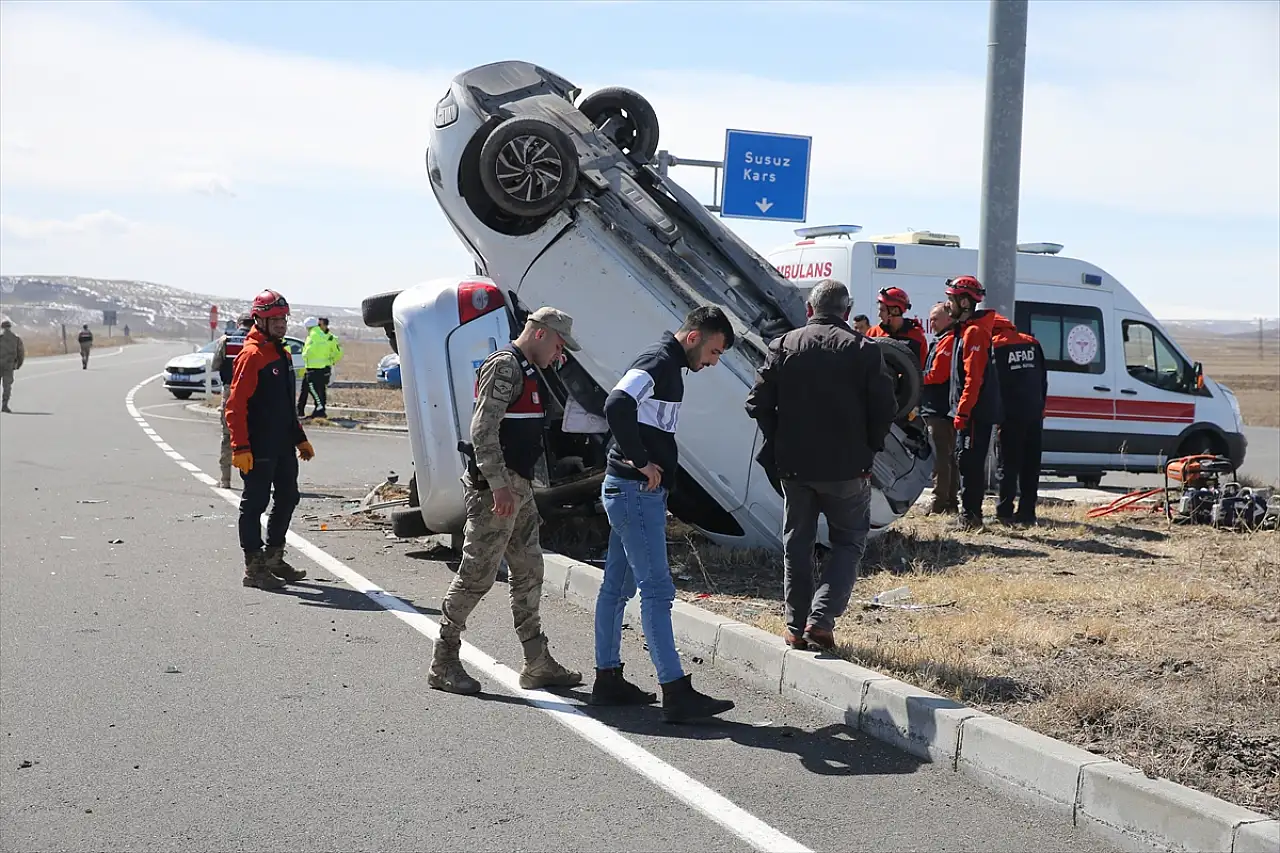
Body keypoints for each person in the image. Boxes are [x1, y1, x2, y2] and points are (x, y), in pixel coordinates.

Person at [591, 305, 738, 723]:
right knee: (657, 591)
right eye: (714, 351)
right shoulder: (658, 363)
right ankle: (675, 692)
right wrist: (640, 461)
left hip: (631, 492)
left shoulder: (667, 366)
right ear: (693, 337)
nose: (712, 362)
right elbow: (617, 403)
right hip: (636, 491)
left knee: (616, 589)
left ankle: (608, 679)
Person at [430, 307, 584, 696]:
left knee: (529, 568)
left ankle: (537, 660)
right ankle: (444, 659)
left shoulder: (531, 370)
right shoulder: (506, 366)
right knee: (476, 575)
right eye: (559, 344)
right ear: (540, 334)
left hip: (518, 487)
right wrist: (498, 484)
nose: (560, 353)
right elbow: (483, 429)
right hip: (494, 491)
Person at [745, 280, 896, 651]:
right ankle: (821, 621)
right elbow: (885, 408)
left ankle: (796, 626)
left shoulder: (783, 346)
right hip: (849, 469)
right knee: (848, 542)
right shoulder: (864, 349)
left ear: (810, 310)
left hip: (794, 466)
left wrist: (778, 439)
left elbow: (757, 403)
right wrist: (869, 449)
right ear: (847, 312)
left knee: (796, 544)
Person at [226, 290, 315, 590]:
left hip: (282, 446)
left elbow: (286, 406)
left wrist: (299, 438)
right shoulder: (252, 355)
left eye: (283, 318)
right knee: (255, 504)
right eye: (273, 319)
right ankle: (254, 568)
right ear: (259, 320)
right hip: (257, 447)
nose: (281, 324)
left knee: (288, 497)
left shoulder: (282, 353)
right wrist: (240, 446)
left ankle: (274, 557)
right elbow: (235, 407)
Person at [944, 275, 1013, 530]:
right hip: (972, 411)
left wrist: (962, 412)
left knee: (970, 462)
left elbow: (974, 378)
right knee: (967, 461)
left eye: (950, 299)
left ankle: (970, 517)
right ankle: (969, 513)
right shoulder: (966, 331)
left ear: (964, 301)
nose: (947, 305)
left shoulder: (973, 333)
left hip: (974, 413)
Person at [994, 327, 1048, 525]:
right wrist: (1041, 406)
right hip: (1034, 413)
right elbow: (1043, 378)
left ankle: (1005, 511)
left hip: (1010, 415)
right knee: (1030, 466)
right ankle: (1027, 513)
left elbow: (994, 382)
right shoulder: (1032, 343)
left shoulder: (997, 345)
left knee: (1008, 466)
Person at [921, 302, 959, 515]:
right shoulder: (942, 339)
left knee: (941, 458)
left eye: (935, 319)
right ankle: (949, 501)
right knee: (947, 457)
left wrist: (915, 378)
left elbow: (938, 374)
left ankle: (939, 503)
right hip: (939, 407)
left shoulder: (948, 341)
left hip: (940, 409)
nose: (931, 323)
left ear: (948, 318)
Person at [211, 313, 254, 489]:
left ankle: (225, 479)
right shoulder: (258, 342)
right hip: (253, 392)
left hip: (231, 390)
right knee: (253, 435)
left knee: (228, 435)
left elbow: (215, 365)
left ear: (238, 324)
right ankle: (252, 479)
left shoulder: (226, 340)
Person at [865, 287, 928, 367]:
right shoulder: (873, 333)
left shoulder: (917, 337)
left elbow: (921, 371)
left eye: (882, 310)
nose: (879, 315)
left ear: (895, 311)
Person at [299, 316, 343, 419]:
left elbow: (307, 352)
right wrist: (331, 361)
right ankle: (301, 410)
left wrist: (306, 359)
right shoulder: (326, 336)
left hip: (314, 368)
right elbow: (337, 352)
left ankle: (319, 410)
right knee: (311, 389)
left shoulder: (314, 336)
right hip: (321, 368)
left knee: (313, 389)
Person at [0, 318, 25, 413]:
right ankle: (4, 405)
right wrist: (18, 364)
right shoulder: (16, 339)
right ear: (10, 327)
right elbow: (20, 353)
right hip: (9, 366)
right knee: (7, 386)